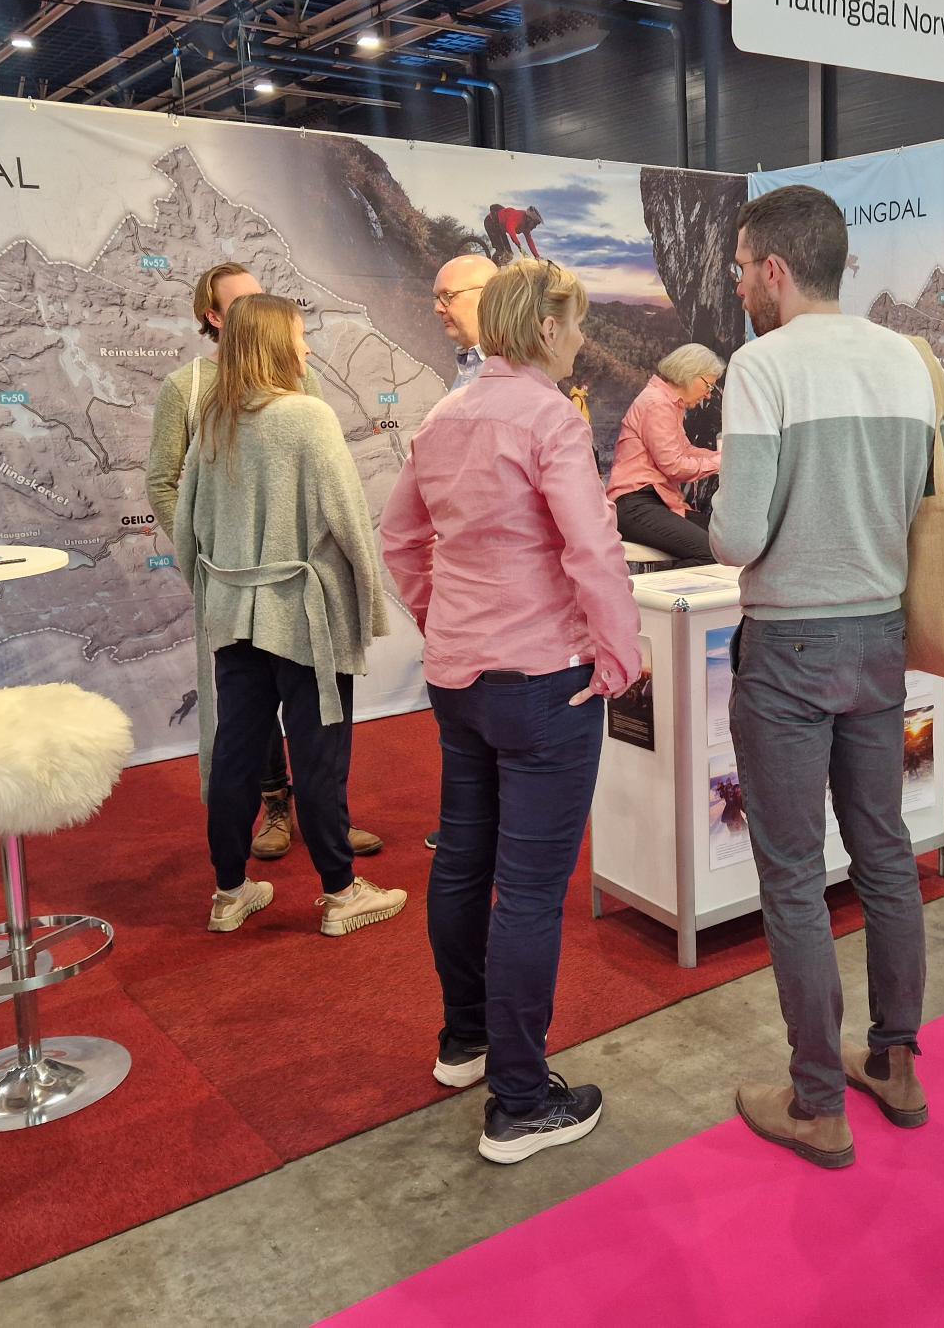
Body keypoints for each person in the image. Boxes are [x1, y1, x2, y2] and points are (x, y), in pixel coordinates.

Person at [382, 258, 641, 1165]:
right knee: (528, 893)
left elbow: (400, 538)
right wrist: (620, 654)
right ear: (545, 328)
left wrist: (439, 620)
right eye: (576, 323)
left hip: (460, 680)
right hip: (543, 682)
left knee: (463, 863)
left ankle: (467, 1041)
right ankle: (521, 1103)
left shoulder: (443, 418)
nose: (582, 338)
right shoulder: (549, 419)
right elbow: (592, 548)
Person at [714, 184, 944, 1170]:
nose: (737, 286)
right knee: (885, 851)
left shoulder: (761, 366)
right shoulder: (905, 358)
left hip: (788, 648)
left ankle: (817, 1103)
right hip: (879, 635)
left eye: (740, 269)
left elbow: (737, 535)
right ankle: (895, 1063)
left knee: (793, 876)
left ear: (773, 270)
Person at [175, 293, 401, 938]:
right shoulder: (308, 416)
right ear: (277, 343)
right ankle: (340, 893)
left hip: (234, 617)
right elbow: (349, 520)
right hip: (305, 618)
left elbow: (186, 527)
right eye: (300, 336)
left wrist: (213, 597)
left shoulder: (214, 419)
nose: (306, 348)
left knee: (236, 753)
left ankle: (228, 891)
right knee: (319, 753)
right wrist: (370, 609)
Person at [147, 263, 382, 860]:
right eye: (247, 302)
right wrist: (210, 563)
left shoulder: (286, 396)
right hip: (261, 593)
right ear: (217, 318)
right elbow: (170, 485)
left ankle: (243, 876)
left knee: (247, 736)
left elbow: (312, 479)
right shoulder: (191, 392)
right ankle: (330, 873)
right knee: (303, 733)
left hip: (263, 588)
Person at [606, 343, 725, 566]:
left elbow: (685, 451)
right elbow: (674, 466)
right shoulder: (656, 403)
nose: (708, 395)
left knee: (727, 544)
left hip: (655, 502)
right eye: (708, 385)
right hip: (635, 504)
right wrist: (723, 462)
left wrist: (724, 457)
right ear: (690, 374)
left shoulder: (667, 403)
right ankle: (668, 591)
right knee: (711, 552)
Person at [434, 253, 498, 392]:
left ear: (488, 295)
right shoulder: (468, 366)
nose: (437, 308)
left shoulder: (518, 374)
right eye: (437, 298)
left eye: (447, 296)